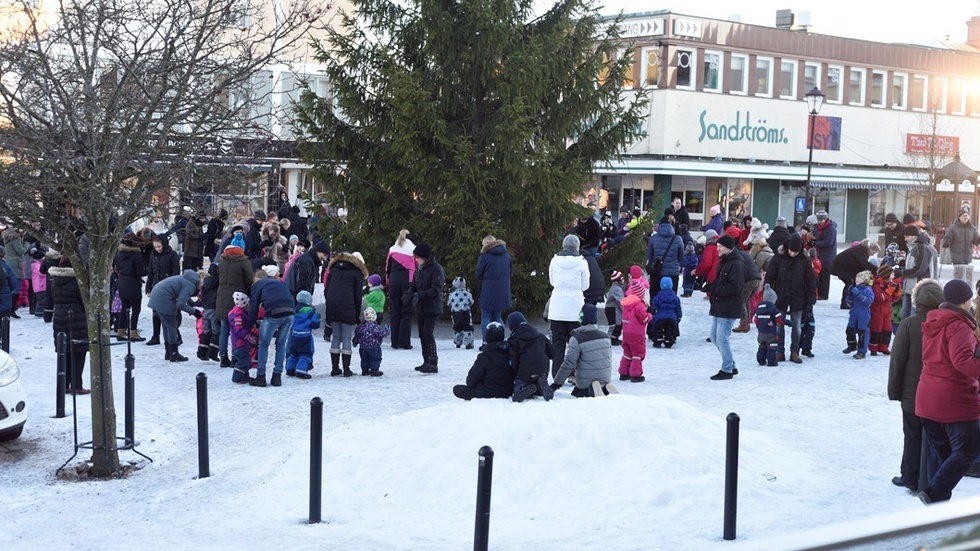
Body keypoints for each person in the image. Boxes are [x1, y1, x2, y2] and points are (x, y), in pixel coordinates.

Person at [914, 279, 980, 504]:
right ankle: (933, 495)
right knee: (968, 450)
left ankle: (937, 505)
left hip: (926, 399)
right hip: (954, 402)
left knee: (941, 454)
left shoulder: (935, 321)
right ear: (964, 301)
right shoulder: (959, 325)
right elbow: (962, 362)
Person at [888, 278, 943, 494]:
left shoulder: (909, 325)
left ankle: (910, 476)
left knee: (912, 435)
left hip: (912, 394)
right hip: (939, 393)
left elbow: (897, 362)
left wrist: (895, 391)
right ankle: (931, 477)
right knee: (935, 437)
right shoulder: (946, 323)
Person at [764, 234, 816, 364]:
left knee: (797, 325)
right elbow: (770, 275)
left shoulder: (804, 260)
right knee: (779, 325)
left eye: (796, 251)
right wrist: (768, 288)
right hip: (780, 295)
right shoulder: (778, 257)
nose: (793, 253)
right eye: (791, 251)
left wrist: (810, 300)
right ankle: (779, 352)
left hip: (798, 296)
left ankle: (794, 351)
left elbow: (810, 281)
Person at [551, 304, 616, 397]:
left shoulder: (577, 339)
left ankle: (592, 389)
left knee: (577, 393)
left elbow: (568, 364)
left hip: (585, 383)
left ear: (581, 318)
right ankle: (605, 388)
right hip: (605, 378)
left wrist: (556, 384)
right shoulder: (606, 337)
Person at [547, 234, 589, 377]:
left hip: (557, 306)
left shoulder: (554, 260)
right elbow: (585, 285)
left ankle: (557, 373)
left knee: (558, 343)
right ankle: (572, 373)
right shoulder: (582, 262)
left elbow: (552, 281)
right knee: (575, 344)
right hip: (575, 307)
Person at [49, 256, 90, 394]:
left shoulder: (54, 280)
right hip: (76, 318)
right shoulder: (77, 281)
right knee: (79, 352)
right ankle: (77, 385)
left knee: (64, 351)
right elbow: (84, 300)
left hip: (59, 318)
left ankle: (64, 384)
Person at [324, 251, 368, 377]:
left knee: (336, 336)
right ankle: (346, 369)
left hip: (332, 305)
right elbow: (357, 296)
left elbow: (326, 290)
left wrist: (329, 304)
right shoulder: (356, 273)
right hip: (347, 306)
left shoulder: (334, 270)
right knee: (346, 337)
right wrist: (356, 315)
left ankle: (334, 368)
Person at [249, 270, 296, 387]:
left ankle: (261, 376)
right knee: (281, 344)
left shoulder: (258, 285)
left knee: (264, 344)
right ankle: (277, 377)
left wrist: (252, 321)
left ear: (256, 279)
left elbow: (254, 304)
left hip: (273, 312)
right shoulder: (279, 282)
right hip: (290, 312)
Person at [708, 235, 745, 380]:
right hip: (720, 305)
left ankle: (727, 369)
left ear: (728, 248)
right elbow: (720, 282)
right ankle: (731, 365)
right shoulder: (723, 261)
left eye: (720, 247)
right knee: (714, 337)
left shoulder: (736, 264)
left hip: (729, 306)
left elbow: (735, 287)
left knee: (722, 338)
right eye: (717, 247)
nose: (718, 249)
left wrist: (715, 290)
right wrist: (710, 287)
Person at [147, 270, 203, 362]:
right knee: (172, 326)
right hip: (164, 298)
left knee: (167, 326)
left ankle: (168, 352)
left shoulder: (187, 279)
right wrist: (194, 312)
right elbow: (180, 304)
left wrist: (191, 304)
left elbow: (183, 294)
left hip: (157, 295)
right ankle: (174, 353)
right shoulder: (191, 285)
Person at [216, 242, 254, 367]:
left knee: (224, 329)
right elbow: (249, 279)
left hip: (221, 298)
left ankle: (222, 357)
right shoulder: (243, 262)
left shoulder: (221, 261)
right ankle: (235, 357)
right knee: (236, 330)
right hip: (238, 299)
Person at [452, 321, 513, 400]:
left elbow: (471, 380)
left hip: (487, 392)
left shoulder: (484, 357)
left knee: (457, 389)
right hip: (508, 390)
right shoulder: (511, 353)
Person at [409, 243, 445, 373]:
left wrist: (420, 295)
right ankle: (426, 360)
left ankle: (433, 361)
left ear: (425, 257)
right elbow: (413, 285)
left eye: (418, 257)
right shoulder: (419, 270)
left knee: (427, 333)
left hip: (432, 306)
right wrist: (409, 294)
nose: (416, 259)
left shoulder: (436, 269)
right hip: (421, 306)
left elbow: (436, 289)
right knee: (421, 334)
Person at [507, 311, 554, 402]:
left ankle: (523, 388)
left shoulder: (514, 340)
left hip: (525, 372)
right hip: (543, 370)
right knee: (538, 381)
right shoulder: (540, 336)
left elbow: (513, 362)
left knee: (518, 386)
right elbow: (552, 354)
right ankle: (540, 387)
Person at [475, 235, 512, 347]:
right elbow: (510, 273)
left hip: (489, 290)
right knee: (497, 316)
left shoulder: (485, 257)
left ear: (486, 244)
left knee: (486, 316)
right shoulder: (507, 256)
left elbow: (478, 274)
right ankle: (501, 339)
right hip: (503, 290)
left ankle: (486, 341)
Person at [144, 233, 180, 346]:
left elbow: (176, 272)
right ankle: (156, 336)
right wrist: (148, 288)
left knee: (170, 314)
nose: (158, 249)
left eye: (159, 246)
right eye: (155, 247)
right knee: (155, 313)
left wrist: (174, 287)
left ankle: (175, 335)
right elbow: (151, 272)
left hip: (168, 288)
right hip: (156, 287)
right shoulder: (153, 255)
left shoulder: (172, 255)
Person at [112, 234, 147, 341]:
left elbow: (116, 267)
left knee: (124, 308)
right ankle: (133, 332)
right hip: (133, 283)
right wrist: (149, 269)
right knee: (136, 309)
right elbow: (140, 271)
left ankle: (120, 331)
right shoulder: (136, 255)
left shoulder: (119, 253)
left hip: (122, 282)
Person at [385, 229, 416, 350]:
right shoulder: (413, 250)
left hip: (393, 282)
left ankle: (394, 342)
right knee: (406, 313)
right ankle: (404, 342)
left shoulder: (392, 249)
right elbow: (417, 266)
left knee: (395, 312)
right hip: (407, 282)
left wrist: (388, 282)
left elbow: (387, 267)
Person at [619, 274, 651, 382]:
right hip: (637, 334)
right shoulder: (639, 305)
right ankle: (635, 374)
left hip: (626, 333)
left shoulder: (627, 303)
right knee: (638, 354)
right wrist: (650, 315)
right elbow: (644, 319)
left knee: (627, 353)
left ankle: (624, 373)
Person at [898, 225, 935, 320]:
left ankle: (913, 335)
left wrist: (902, 273)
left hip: (918, 288)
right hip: (909, 288)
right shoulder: (911, 248)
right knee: (904, 316)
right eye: (905, 237)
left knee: (913, 317)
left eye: (907, 237)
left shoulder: (921, 248)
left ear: (915, 236)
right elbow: (912, 266)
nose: (905, 239)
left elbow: (920, 269)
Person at [830, 239, 879, 311]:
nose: (873, 254)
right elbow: (864, 263)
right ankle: (844, 303)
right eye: (873, 252)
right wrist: (876, 270)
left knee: (851, 283)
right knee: (849, 283)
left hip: (845, 268)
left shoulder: (861, 251)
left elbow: (860, 265)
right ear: (870, 248)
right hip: (841, 268)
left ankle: (848, 301)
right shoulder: (859, 251)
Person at [285, 290, 320, 380]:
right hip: (305, 336)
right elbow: (315, 324)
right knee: (306, 353)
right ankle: (301, 370)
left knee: (294, 353)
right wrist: (317, 316)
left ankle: (290, 368)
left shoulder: (294, 309)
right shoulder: (311, 312)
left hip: (294, 335)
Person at [941, 207, 980, 286]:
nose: (965, 217)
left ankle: (967, 293)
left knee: (968, 280)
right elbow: (947, 239)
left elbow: (976, 241)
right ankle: (958, 291)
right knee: (958, 278)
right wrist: (946, 242)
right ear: (959, 217)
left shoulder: (972, 228)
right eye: (963, 216)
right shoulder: (953, 228)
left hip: (967, 258)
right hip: (957, 258)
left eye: (967, 216)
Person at [870, 264, 902, 356]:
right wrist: (890, 289)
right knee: (877, 328)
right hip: (877, 309)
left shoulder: (891, 284)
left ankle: (884, 347)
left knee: (887, 329)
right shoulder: (877, 284)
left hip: (888, 309)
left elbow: (895, 299)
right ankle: (873, 348)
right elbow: (880, 298)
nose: (893, 276)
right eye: (892, 274)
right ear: (886, 275)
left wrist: (897, 290)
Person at [646, 217, 684, 292]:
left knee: (655, 297)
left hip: (656, 272)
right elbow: (681, 257)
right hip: (672, 272)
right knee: (671, 297)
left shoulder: (653, 238)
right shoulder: (678, 239)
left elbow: (650, 256)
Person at [843, 270, 875, 359]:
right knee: (850, 329)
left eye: (860, 278)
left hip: (863, 314)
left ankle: (861, 351)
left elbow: (869, 301)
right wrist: (849, 295)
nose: (857, 279)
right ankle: (851, 345)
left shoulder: (868, 290)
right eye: (857, 277)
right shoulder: (854, 288)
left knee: (862, 333)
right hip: (854, 312)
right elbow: (849, 301)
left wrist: (858, 294)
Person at [353, 307, 390, 377]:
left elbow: (357, 335)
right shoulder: (375, 327)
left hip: (363, 347)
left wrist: (355, 341)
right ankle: (374, 370)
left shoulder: (361, 326)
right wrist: (387, 330)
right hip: (374, 347)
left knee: (364, 359)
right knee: (375, 359)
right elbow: (381, 334)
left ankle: (365, 370)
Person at [810, 210, 838, 301]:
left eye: (822, 220)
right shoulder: (817, 227)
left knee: (825, 276)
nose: (820, 221)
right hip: (819, 254)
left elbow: (829, 242)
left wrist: (815, 243)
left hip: (828, 256)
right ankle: (818, 293)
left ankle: (824, 294)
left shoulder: (831, 228)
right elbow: (815, 236)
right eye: (819, 220)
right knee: (819, 275)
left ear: (826, 219)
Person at [754, 284, 783, 366]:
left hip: (761, 333)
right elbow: (779, 320)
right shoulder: (774, 310)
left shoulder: (758, 308)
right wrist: (787, 322)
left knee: (761, 346)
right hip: (771, 333)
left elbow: (755, 320)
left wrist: (759, 326)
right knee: (772, 347)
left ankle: (761, 360)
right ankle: (771, 362)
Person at [229, 292, 254, 384]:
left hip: (241, 342)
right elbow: (238, 328)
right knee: (244, 360)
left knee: (246, 359)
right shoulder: (238, 315)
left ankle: (244, 376)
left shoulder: (240, 313)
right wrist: (247, 336)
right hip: (240, 342)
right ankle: (237, 377)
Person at [650, 276, 682, 348]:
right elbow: (678, 309)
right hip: (672, 317)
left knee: (658, 329)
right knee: (670, 330)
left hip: (659, 317)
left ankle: (658, 339)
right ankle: (669, 340)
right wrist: (679, 317)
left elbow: (654, 307)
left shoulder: (657, 297)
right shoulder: (675, 298)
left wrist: (653, 315)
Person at [198, 264, 220, 361]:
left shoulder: (205, 282)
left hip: (205, 309)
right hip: (214, 308)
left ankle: (202, 352)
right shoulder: (219, 281)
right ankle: (213, 352)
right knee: (216, 331)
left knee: (206, 331)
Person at [447, 276, 475, 349]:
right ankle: (468, 343)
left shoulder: (452, 295)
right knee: (467, 327)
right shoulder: (468, 294)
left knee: (457, 327)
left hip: (455, 314)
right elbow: (471, 302)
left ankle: (457, 342)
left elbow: (449, 303)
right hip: (465, 313)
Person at [604, 270, 625, 345]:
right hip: (612, 309)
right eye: (622, 279)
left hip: (614, 309)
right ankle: (610, 338)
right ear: (618, 280)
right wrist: (625, 310)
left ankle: (614, 337)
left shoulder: (618, 287)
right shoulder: (616, 289)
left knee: (618, 324)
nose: (624, 280)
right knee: (615, 325)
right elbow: (621, 301)